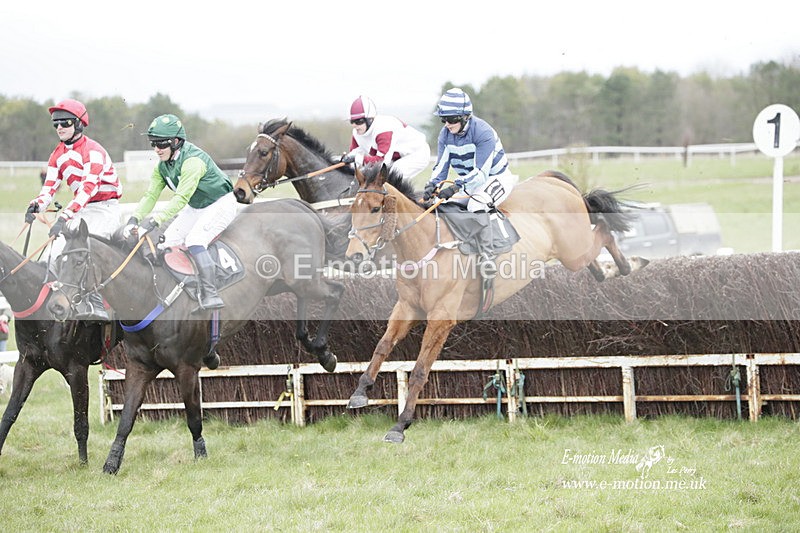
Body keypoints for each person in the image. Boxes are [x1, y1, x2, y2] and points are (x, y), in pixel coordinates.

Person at [123, 114, 237, 310]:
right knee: (165, 244)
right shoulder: (162, 167)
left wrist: (154, 222)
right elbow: (151, 195)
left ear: (176, 142)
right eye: (153, 144)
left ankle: (211, 294)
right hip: (197, 206)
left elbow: (181, 199)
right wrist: (134, 219)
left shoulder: (193, 161)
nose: (156, 149)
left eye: (161, 144)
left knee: (195, 240)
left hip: (220, 203)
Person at [24, 98, 122, 322]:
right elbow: (49, 188)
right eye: (55, 124)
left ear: (78, 124)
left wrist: (65, 216)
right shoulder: (57, 154)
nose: (59, 127)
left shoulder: (93, 151)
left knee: (85, 250)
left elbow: (88, 189)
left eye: (65, 123)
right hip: (82, 210)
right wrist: (37, 204)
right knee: (52, 255)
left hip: (104, 209)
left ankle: (96, 305)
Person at [422, 88, 518, 212]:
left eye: (451, 119)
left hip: (496, 178)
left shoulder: (483, 132)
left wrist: (454, 188)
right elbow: (441, 168)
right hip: (470, 182)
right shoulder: (445, 135)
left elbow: (481, 174)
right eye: (443, 119)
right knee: (441, 205)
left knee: (476, 206)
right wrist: (432, 185)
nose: (447, 124)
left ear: (465, 117)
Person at [340, 95, 430, 180]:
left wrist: (359, 158)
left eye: (359, 121)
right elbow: (355, 155)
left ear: (370, 119)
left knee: (388, 177)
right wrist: (346, 160)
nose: (355, 125)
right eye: (352, 122)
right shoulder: (356, 132)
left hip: (417, 154)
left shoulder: (383, 130)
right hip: (394, 158)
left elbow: (381, 163)